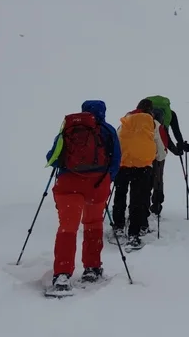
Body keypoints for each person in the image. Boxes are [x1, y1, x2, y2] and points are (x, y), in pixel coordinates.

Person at [44, 100, 121, 293]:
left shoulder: (68, 128)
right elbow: (116, 159)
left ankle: (62, 274)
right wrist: (106, 179)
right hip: (97, 185)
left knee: (67, 228)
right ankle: (92, 268)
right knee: (93, 224)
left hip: (68, 185)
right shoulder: (108, 130)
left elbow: (52, 157)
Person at [111, 99, 161, 249]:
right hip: (142, 167)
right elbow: (160, 150)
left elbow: (117, 140)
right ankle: (134, 233)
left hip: (123, 164)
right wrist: (157, 158)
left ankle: (118, 227)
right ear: (150, 110)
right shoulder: (153, 123)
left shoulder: (126, 120)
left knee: (120, 194)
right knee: (137, 200)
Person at [145, 95, 189, 218]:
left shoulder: (144, 115)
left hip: (142, 150)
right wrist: (179, 148)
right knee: (158, 177)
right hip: (161, 149)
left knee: (144, 177)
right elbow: (173, 133)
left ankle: (142, 205)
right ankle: (156, 205)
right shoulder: (170, 114)